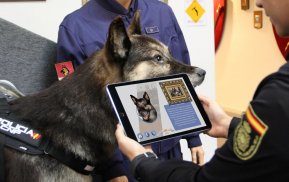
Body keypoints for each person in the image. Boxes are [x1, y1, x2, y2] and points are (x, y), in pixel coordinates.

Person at [115, 0, 289, 181]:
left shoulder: (279, 96)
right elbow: (277, 139)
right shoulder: (82, 24)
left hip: (161, 150)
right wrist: (229, 125)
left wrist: (144, 160)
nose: (258, 3)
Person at [56, 0, 205, 181]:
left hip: (167, 146)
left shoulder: (162, 12)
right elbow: (75, 103)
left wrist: (193, 137)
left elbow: (180, 73)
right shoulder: (74, 27)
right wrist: (113, 169)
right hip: (119, 152)